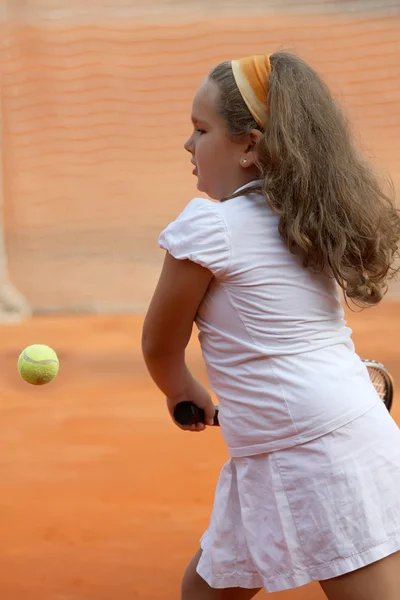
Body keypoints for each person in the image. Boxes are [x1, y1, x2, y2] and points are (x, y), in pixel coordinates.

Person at [141, 52, 400, 599]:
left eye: (200, 129)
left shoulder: (208, 226)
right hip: (294, 439)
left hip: (314, 451)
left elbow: (160, 344)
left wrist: (180, 390)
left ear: (250, 145)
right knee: (204, 591)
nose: (189, 146)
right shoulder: (306, 219)